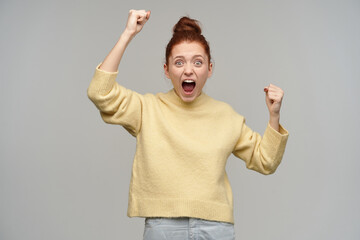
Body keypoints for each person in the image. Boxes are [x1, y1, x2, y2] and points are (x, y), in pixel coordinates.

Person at [87, 9, 289, 240]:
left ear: (210, 69)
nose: (188, 70)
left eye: (198, 62)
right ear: (167, 69)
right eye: (179, 62)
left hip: (216, 227)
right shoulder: (148, 109)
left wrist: (274, 115)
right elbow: (100, 93)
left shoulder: (226, 116)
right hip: (162, 225)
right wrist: (128, 34)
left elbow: (266, 161)